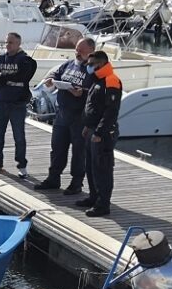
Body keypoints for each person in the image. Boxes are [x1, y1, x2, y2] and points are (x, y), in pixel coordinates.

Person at [34, 38, 96, 194]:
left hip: (79, 116)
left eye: (81, 50)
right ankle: (53, 178)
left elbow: (96, 91)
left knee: (78, 151)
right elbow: (56, 73)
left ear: (91, 52)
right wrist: (50, 80)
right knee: (57, 148)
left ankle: (76, 183)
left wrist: (81, 92)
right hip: (62, 113)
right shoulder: (68, 64)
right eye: (76, 49)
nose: (77, 52)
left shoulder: (93, 69)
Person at [0, 32, 38, 178]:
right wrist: (7, 79)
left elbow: (22, 76)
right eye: (6, 42)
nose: (7, 45)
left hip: (17, 104)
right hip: (0, 102)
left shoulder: (25, 60)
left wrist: (3, 77)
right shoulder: (0, 58)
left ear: (19, 44)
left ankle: (22, 165)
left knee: (19, 136)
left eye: (11, 42)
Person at [76, 50, 122, 217]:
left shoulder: (111, 81)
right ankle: (93, 197)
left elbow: (111, 111)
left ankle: (103, 204)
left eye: (91, 64)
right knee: (91, 167)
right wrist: (88, 126)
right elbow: (93, 107)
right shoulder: (97, 80)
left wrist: (100, 132)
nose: (88, 67)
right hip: (92, 129)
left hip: (103, 133)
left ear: (101, 64)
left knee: (102, 168)